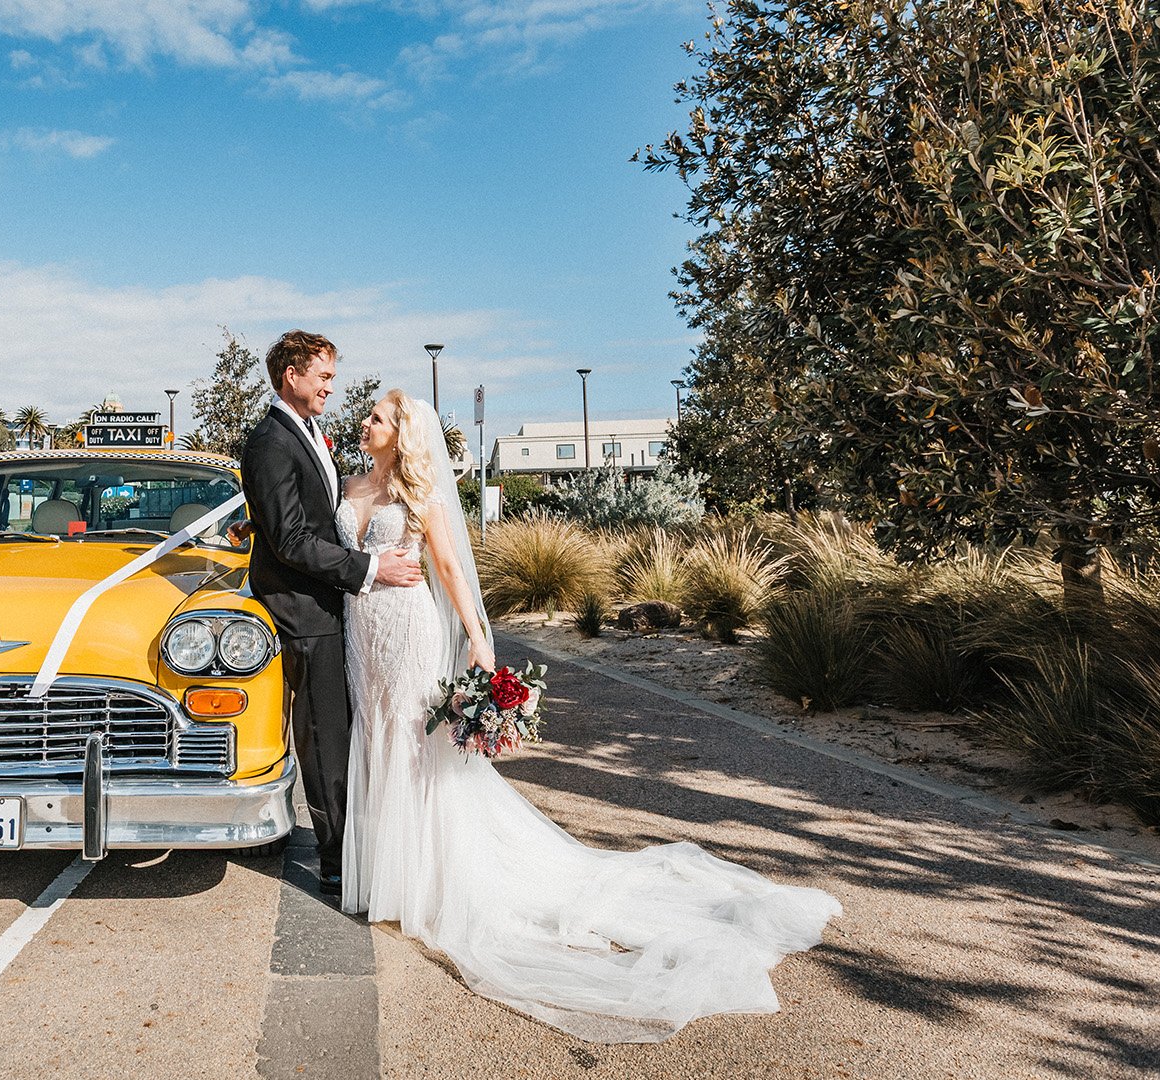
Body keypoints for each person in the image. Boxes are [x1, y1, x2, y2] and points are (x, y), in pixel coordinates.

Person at [337, 388, 842, 1043]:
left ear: (402, 433)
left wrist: (480, 638)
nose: (365, 422)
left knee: (411, 746)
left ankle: (415, 884)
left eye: (377, 416)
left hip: (407, 633)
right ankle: (387, 870)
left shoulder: (421, 495)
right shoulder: (349, 482)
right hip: (362, 635)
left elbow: (450, 570)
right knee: (375, 740)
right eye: (369, 414)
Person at [240, 331, 425, 898]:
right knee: (323, 736)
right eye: (322, 375)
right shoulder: (270, 440)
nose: (330, 386)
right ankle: (336, 858)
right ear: (290, 374)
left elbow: (303, 518)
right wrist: (370, 568)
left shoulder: (309, 433)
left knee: (347, 728)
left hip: (336, 605)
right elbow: (294, 540)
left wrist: (260, 530)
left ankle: (360, 841)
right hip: (304, 610)